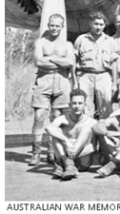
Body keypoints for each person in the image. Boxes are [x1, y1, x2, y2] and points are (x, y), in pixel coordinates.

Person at [31, 14, 75, 166]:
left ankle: (51, 151)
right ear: (48, 26)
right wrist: (60, 62)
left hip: (62, 81)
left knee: (56, 117)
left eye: (57, 26)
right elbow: (38, 61)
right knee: (39, 115)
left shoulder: (68, 45)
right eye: (52, 25)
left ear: (62, 27)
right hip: (43, 80)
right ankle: (36, 153)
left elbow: (70, 62)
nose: (54, 28)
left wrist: (50, 59)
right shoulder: (41, 42)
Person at [74, 11, 118, 120]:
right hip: (85, 75)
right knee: (85, 107)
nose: (98, 27)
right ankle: (87, 133)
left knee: (106, 105)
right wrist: (75, 81)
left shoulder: (110, 41)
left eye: (101, 24)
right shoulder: (81, 39)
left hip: (104, 75)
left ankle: (104, 133)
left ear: (104, 25)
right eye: (96, 24)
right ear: (90, 24)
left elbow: (114, 63)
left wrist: (115, 83)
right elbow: (73, 62)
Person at [45, 89, 96, 180]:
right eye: (74, 103)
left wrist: (73, 154)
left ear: (85, 105)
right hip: (64, 159)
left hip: (82, 161)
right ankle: (68, 164)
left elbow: (94, 147)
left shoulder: (91, 122)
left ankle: (67, 163)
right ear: (69, 105)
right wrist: (66, 141)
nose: (77, 106)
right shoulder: (63, 119)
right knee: (55, 131)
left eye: (80, 103)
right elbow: (48, 128)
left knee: (86, 129)